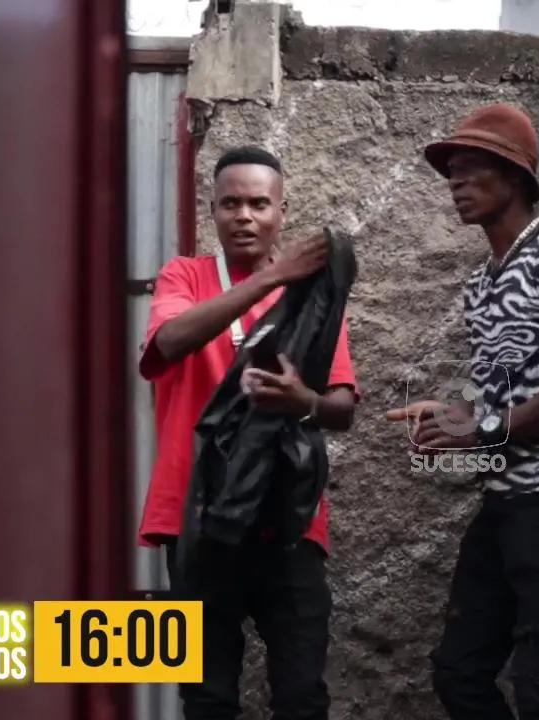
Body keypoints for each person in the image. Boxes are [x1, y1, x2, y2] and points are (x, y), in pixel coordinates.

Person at [387, 104, 539, 719]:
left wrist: (483, 428)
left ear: (515, 177)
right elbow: (505, 398)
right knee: (459, 674)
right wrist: (454, 418)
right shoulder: (481, 284)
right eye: (451, 173)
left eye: (471, 169)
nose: (456, 183)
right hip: (504, 500)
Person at [138, 145, 360, 720]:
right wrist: (274, 278)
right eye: (230, 203)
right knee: (206, 697)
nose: (244, 216)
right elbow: (169, 342)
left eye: (259, 204)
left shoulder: (311, 296)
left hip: (288, 519)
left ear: (282, 212)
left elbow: (341, 407)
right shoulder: (184, 275)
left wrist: (302, 400)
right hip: (195, 515)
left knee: (302, 695)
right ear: (212, 210)